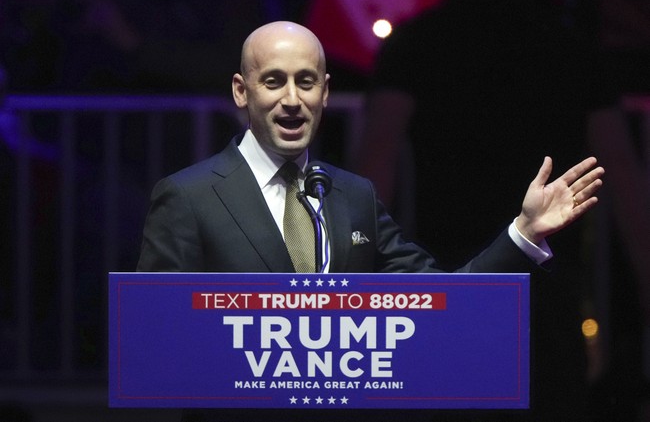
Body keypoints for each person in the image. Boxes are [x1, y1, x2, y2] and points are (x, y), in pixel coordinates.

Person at [136, 21, 603, 421]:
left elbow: (445, 304)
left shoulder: (353, 196)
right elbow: (157, 347)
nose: (292, 99)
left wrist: (523, 233)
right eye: (274, 81)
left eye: (306, 81)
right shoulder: (189, 197)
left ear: (326, 91)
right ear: (242, 91)